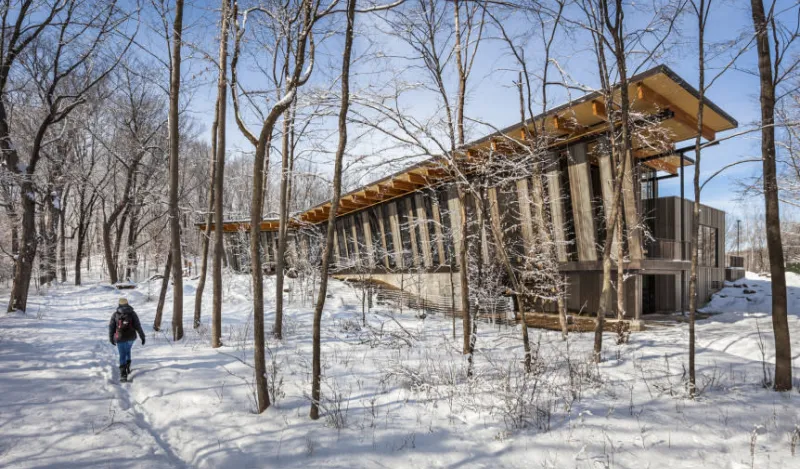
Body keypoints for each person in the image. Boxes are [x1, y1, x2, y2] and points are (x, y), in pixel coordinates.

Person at [108, 298, 145, 382]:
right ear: (127, 303)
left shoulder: (115, 314)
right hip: (131, 337)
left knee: (122, 354)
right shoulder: (132, 313)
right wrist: (142, 336)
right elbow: (138, 326)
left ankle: (123, 374)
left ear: (119, 304)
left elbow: (111, 327)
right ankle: (127, 367)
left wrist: (111, 338)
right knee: (127, 350)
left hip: (120, 337)